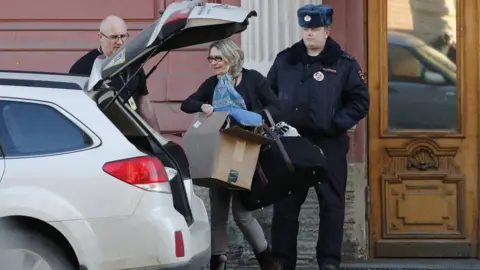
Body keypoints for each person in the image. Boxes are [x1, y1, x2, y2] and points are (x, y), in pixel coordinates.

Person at [267, 4, 369, 270]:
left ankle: (329, 263)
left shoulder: (344, 63)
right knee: (285, 208)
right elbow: (268, 96)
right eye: (306, 28)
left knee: (332, 207)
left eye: (314, 29)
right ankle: (282, 262)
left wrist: (336, 124)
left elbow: (359, 101)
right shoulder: (284, 60)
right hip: (291, 144)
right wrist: (275, 125)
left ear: (327, 30)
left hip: (329, 145)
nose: (309, 33)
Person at [180, 38, 280, 270]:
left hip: (248, 151)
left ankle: (267, 261)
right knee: (218, 214)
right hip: (220, 151)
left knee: (242, 213)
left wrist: (252, 117)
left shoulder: (253, 79)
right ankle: (219, 262)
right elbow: (187, 103)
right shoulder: (212, 84)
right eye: (211, 58)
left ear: (231, 57)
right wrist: (202, 106)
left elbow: (276, 106)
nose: (214, 63)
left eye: (218, 58)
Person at [69, 15, 160, 132]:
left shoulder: (133, 61)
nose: (120, 42)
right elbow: (78, 109)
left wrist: (157, 135)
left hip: (135, 134)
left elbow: (144, 101)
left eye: (123, 36)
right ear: (100, 37)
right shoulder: (83, 67)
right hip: (106, 137)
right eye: (114, 37)